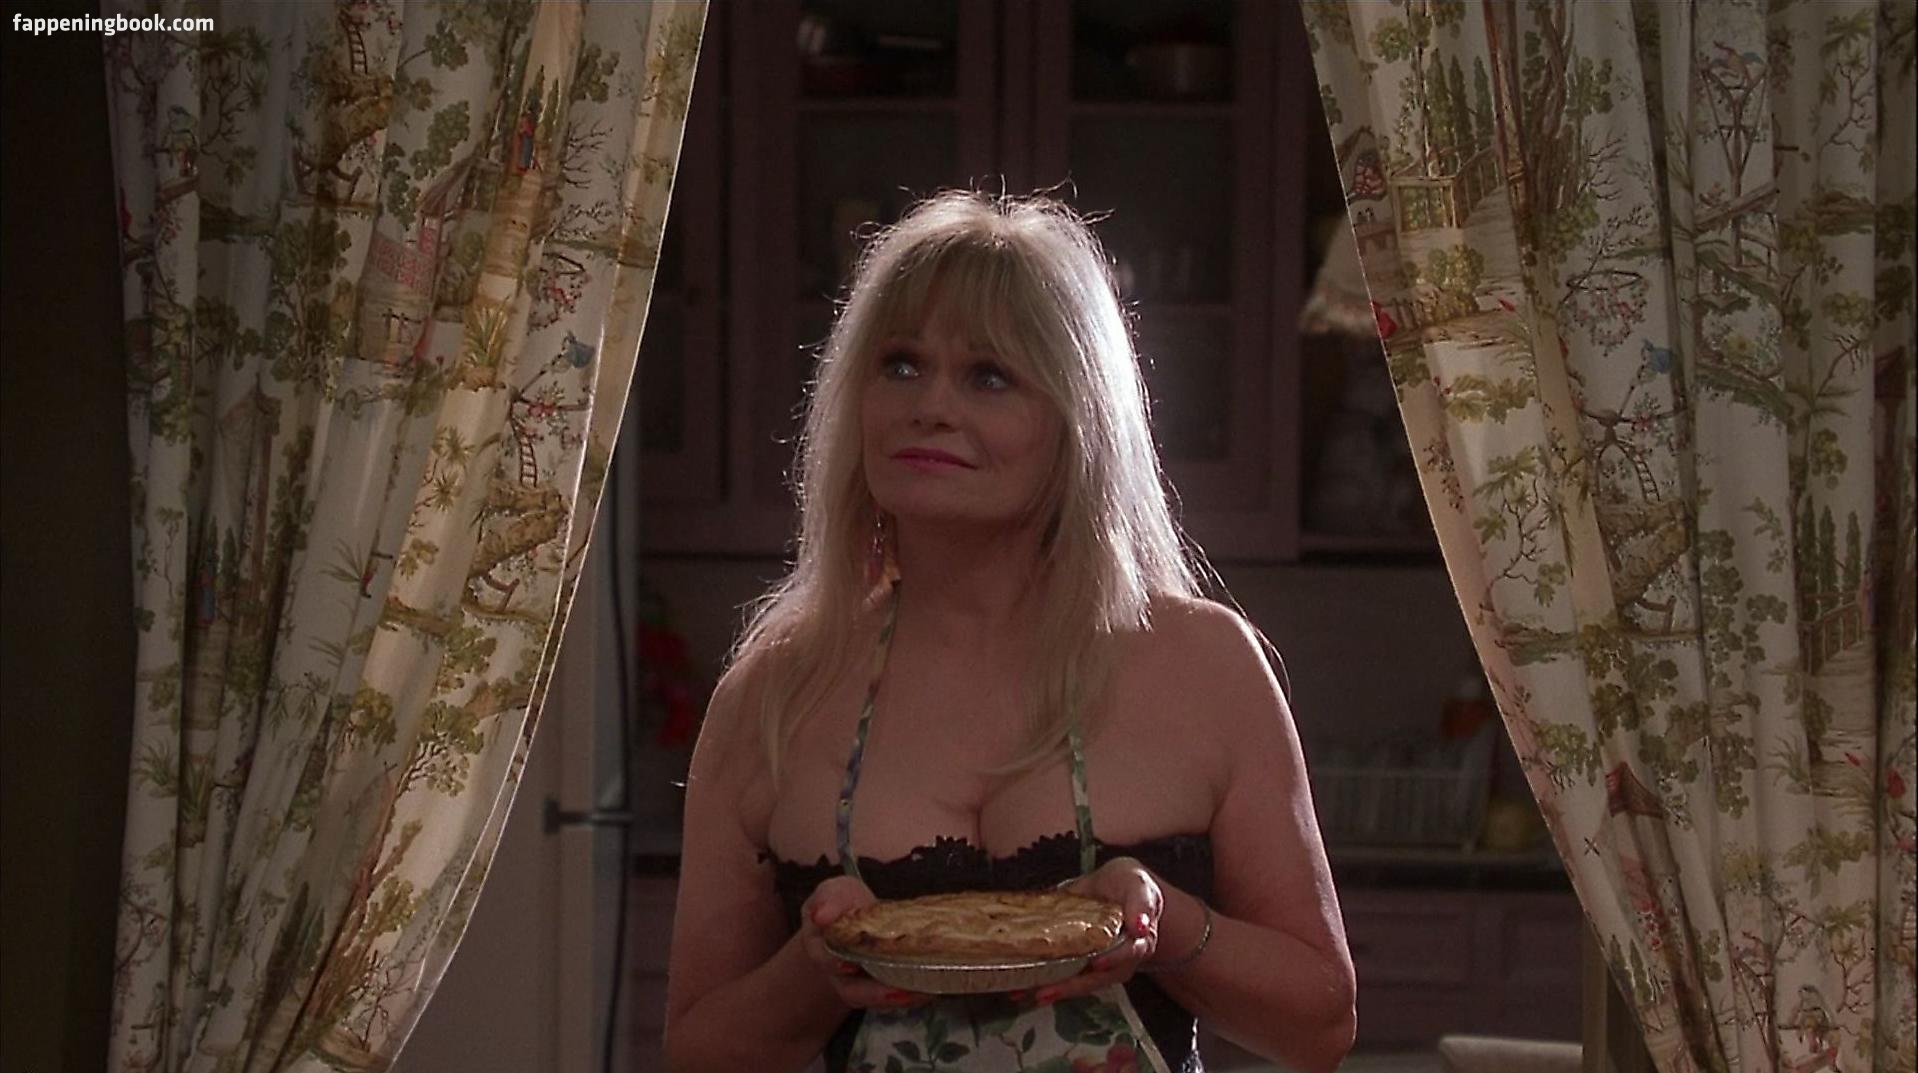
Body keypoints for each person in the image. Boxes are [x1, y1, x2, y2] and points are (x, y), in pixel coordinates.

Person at [663, 190, 1355, 1073]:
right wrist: (814, 970)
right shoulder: (775, 690)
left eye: (988, 376)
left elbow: (1320, 1024)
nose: (930, 405)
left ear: (1078, 423)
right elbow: (695, 1054)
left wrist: (1166, 926)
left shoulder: (1205, 665)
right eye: (901, 364)